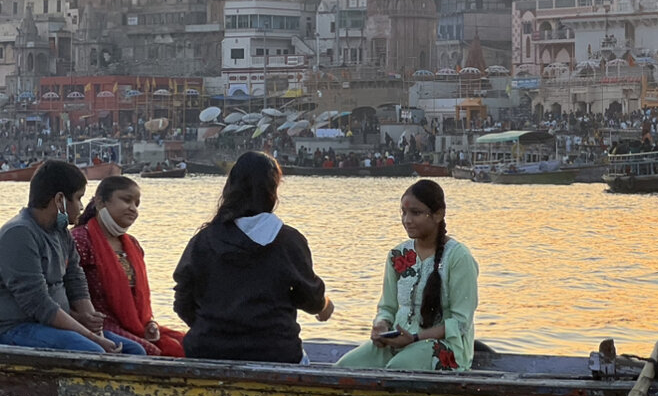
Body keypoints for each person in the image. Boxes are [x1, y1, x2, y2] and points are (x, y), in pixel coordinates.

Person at [173, 151, 334, 363]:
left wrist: (213, 327)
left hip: (206, 348)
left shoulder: (204, 240)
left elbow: (183, 299)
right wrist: (325, 306)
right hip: (275, 352)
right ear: (273, 190)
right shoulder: (288, 240)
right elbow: (310, 298)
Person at [0, 160, 144, 355]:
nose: (82, 206)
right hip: (16, 328)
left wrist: (91, 322)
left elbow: (75, 280)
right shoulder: (19, 234)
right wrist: (93, 338)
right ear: (60, 200)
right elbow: (38, 304)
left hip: (55, 324)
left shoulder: (61, 232)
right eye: (78, 198)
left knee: (135, 351)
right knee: (93, 351)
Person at [336, 179, 478, 371]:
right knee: (344, 368)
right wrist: (381, 326)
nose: (407, 220)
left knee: (398, 368)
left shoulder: (458, 257)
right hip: (397, 341)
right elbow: (387, 307)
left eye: (416, 213)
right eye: (403, 213)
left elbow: (460, 323)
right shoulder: (398, 255)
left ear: (438, 214)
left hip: (446, 348)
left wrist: (416, 338)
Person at [72, 175, 185, 357]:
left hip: (135, 324)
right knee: (151, 352)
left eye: (137, 204)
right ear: (101, 202)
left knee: (184, 344)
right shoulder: (80, 240)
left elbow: (139, 301)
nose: (133, 209)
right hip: (100, 324)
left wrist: (150, 324)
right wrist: (81, 318)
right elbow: (60, 290)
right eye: (126, 200)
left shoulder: (133, 245)